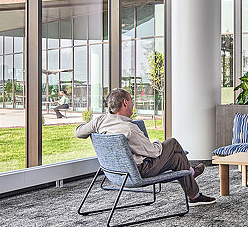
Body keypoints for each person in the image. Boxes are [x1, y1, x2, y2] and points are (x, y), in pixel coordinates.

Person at [76, 88, 215, 206]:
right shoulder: (129, 129)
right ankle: (191, 172)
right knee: (172, 143)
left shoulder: (100, 120)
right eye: (131, 100)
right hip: (140, 171)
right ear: (125, 102)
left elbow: (79, 132)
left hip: (116, 171)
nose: (132, 104)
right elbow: (154, 152)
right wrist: (156, 141)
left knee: (178, 158)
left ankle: (194, 195)